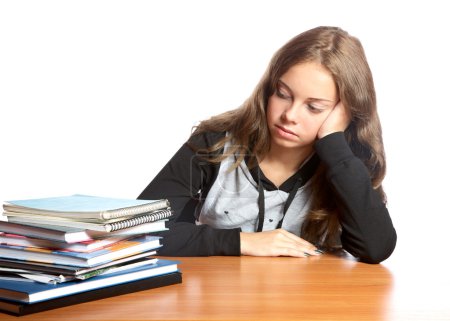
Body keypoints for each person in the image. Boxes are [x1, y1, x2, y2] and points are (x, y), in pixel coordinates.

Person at [138, 26, 396, 264]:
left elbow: (376, 248)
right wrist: (241, 242)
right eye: (283, 94)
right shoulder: (214, 142)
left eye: (314, 107)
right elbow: (140, 229)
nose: (290, 115)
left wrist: (334, 146)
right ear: (269, 89)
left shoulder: (346, 163)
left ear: (345, 113)